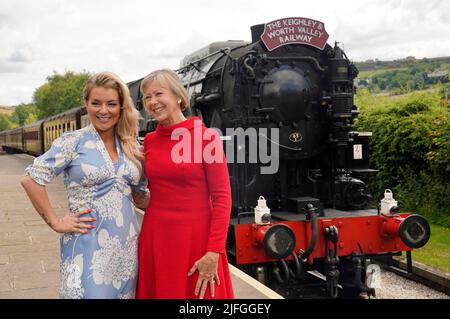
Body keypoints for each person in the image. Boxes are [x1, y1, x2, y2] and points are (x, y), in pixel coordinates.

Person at [20, 72, 149, 299]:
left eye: (111, 104)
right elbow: (31, 180)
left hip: (127, 251)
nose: (103, 111)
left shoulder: (131, 146)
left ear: (121, 107)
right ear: (86, 104)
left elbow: (140, 197)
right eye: (96, 103)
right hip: (87, 247)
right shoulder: (73, 141)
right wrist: (56, 222)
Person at [136, 69, 234, 299]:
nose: (152, 102)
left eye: (158, 94)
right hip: (156, 237)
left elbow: (222, 199)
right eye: (147, 97)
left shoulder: (206, 138)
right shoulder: (149, 141)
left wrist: (214, 251)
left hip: (196, 240)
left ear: (178, 96)